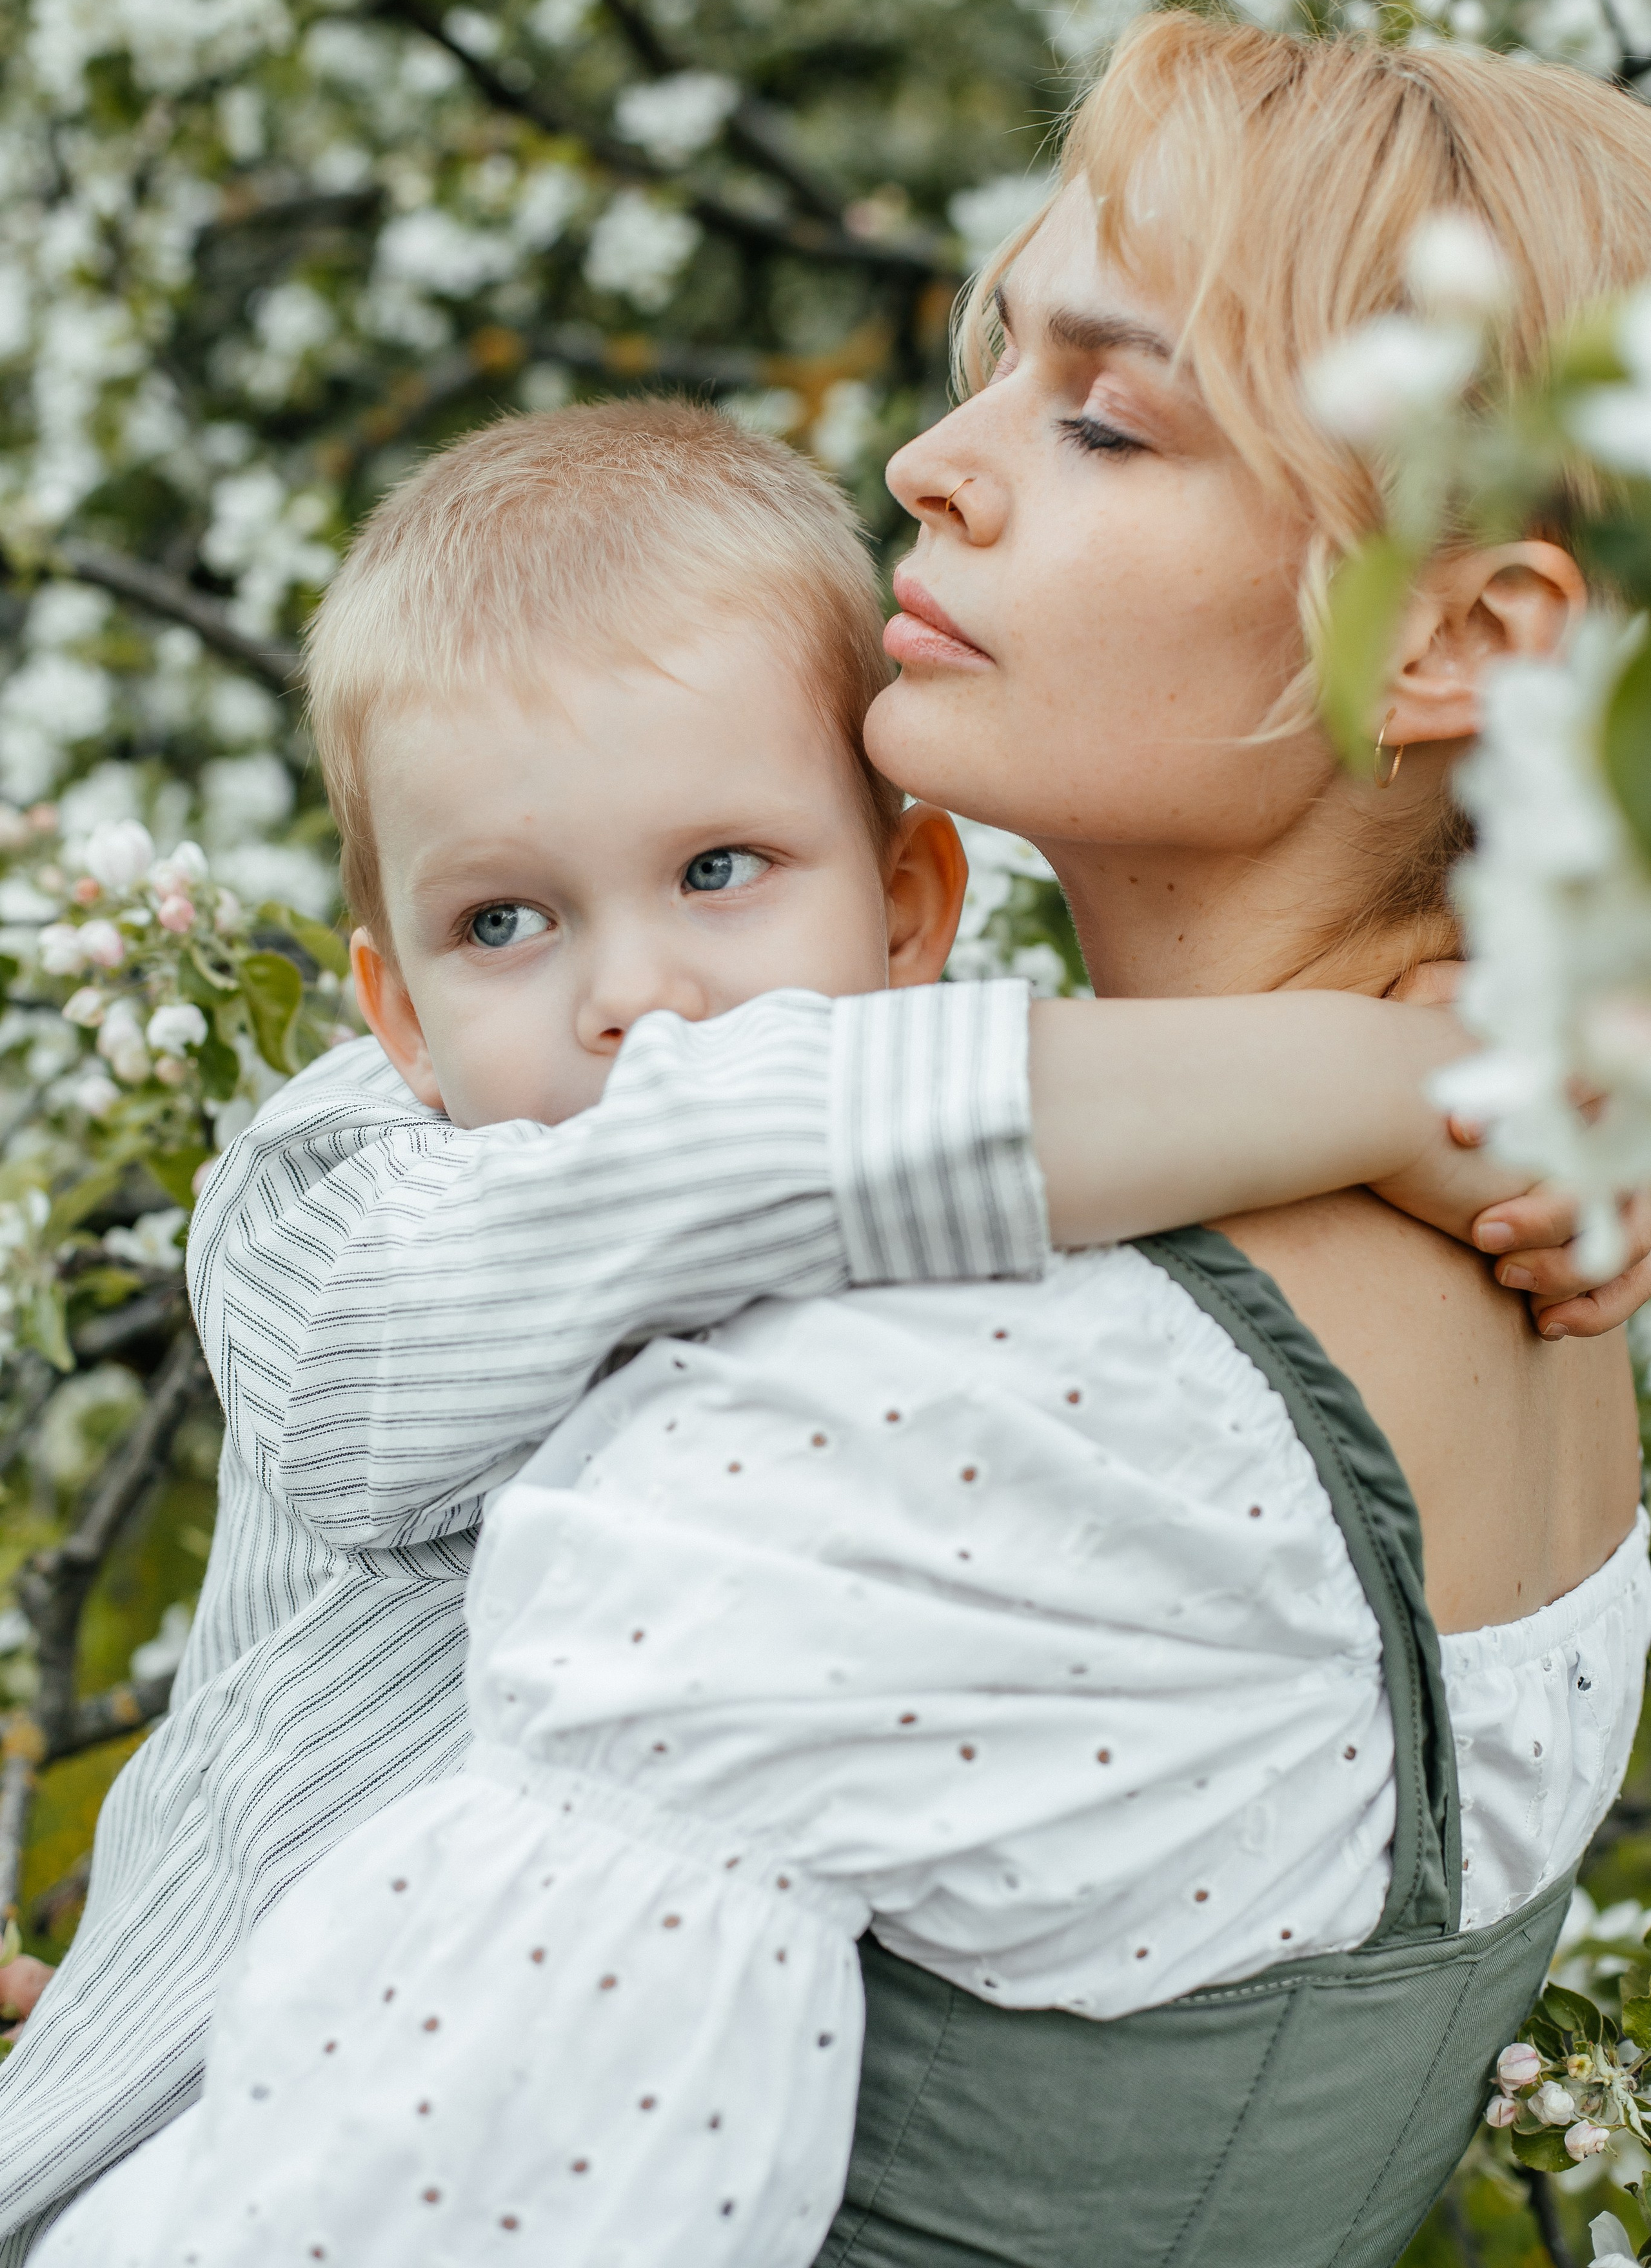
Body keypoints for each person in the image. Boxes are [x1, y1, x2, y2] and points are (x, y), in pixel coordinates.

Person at [38, 123, 1651, 2265]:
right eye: (992, 362)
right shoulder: (1521, 1267)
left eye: (1101, 417)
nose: (930, 465)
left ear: (1460, 632)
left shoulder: (928, 1432)